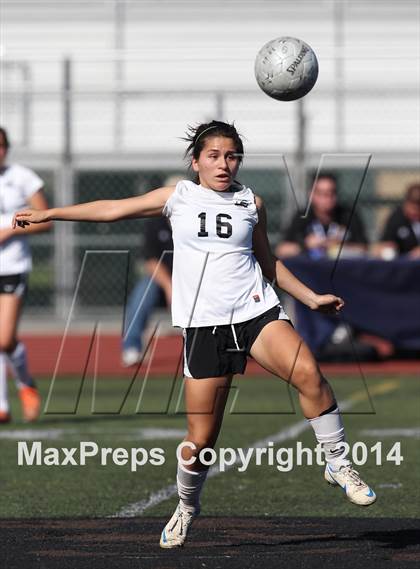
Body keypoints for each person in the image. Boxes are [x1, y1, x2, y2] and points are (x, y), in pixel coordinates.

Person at [13, 120, 376, 548]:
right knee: (201, 440)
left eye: (232, 155)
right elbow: (113, 208)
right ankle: (186, 506)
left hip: (256, 312)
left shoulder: (249, 201)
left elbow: (268, 261)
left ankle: (337, 462)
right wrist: (51, 212)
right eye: (214, 155)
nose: (224, 164)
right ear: (196, 160)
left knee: (310, 375)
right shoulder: (178, 197)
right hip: (205, 326)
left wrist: (310, 297)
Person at [0, 126, 52, 423]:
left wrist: (9, 231)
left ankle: (26, 384)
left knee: (5, 339)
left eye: (2, 146)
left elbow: (45, 219)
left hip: (12, 266)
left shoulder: (23, 177)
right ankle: (2, 407)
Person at [276, 173, 368, 259]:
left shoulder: (348, 215)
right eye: (322, 194)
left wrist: (339, 246)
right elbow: (281, 250)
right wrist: (306, 245)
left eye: (331, 193)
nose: (328, 198)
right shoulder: (302, 217)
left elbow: (366, 249)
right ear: (312, 195)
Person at [122, 215, 173, 366]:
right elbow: (151, 262)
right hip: (163, 285)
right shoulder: (155, 223)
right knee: (144, 289)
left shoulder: (197, 219)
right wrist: (169, 287)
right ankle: (132, 347)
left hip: (192, 282)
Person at [376, 183, 420, 259]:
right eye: (412, 207)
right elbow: (385, 243)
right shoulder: (396, 218)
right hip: (403, 263)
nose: (414, 212)